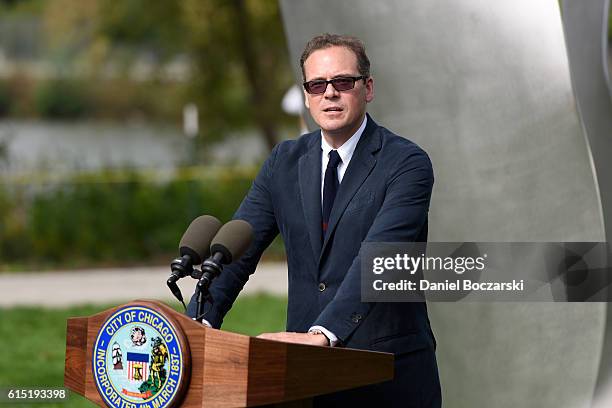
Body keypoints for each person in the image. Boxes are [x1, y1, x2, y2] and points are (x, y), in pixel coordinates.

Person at [187, 33, 441, 407]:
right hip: (304, 379)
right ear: (306, 95)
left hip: (388, 380)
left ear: (367, 88)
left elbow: (380, 258)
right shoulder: (283, 162)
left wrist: (323, 334)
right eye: (317, 84)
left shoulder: (406, 164)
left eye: (343, 82)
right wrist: (195, 329)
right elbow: (235, 251)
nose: (330, 93)